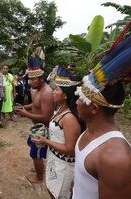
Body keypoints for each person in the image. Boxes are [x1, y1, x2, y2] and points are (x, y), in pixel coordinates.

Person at [72, 32, 131, 198]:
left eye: (80, 98)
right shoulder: (89, 132)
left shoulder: (116, 159)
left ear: (94, 108)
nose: (76, 102)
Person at [32, 69, 84, 198]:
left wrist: (45, 141)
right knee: (51, 189)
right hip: (55, 160)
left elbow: (70, 150)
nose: (53, 92)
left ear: (65, 95)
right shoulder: (60, 108)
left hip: (64, 165)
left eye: (57, 90)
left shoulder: (69, 118)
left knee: (59, 194)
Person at [15, 56, 54, 184]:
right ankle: (39, 167)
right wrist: (26, 107)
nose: (30, 82)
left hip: (43, 129)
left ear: (42, 78)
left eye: (33, 79)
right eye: (29, 78)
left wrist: (26, 114)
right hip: (37, 127)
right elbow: (36, 105)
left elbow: (46, 117)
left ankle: (39, 177)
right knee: (32, 146)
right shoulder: (37, 89)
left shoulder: (47, 92)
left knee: (35, 154)